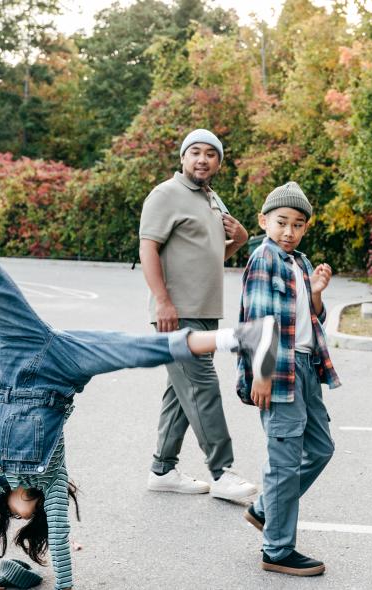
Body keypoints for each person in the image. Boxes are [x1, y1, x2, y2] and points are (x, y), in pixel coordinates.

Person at [0, 147, 278, 590]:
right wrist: (62, 586)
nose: (18, 517)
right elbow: (59, 543)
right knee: (137, 349)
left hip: (19, 358)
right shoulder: (52, 479)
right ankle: (244, 337)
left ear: (3, 508)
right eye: (27, 519)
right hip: (62, 372)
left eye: (11, 517)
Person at [138, 129, 259, 500]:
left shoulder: (211, 199)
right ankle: (221, 473)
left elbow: (209, 257)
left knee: (181, 392)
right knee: (202, 387)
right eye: (195, 152)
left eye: (211, 153)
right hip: (178, 313)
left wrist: (240, 239)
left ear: (219, 162)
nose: (202, 159)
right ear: (183, 158)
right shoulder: (165, 194)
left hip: (205, 312)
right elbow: (148, 248)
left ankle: (162, 469)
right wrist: (162, 301)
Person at [237, 182, 341, 577]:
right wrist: (261, 373)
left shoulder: (300, 262)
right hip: (278, 369)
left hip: (306, 367)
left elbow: (312, 319)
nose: (289, 231)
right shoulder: (264, 258)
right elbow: (258, 320)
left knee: (321, 448)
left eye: (298, 224)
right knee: (284, 462)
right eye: (281, 222)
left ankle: (266, 509)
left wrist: (316, 293)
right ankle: (277, 550)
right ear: (263, 221)